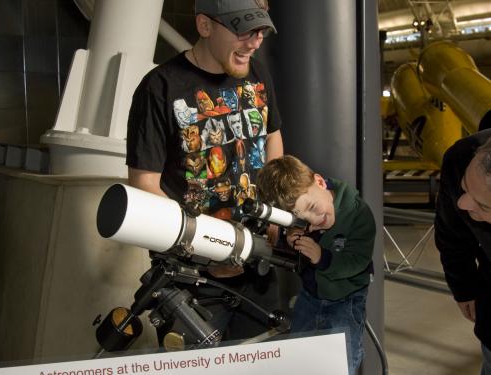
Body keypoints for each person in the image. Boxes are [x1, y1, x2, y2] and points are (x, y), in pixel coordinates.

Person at [125, 0, 283, 342]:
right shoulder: (159, 88)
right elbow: (144, 186)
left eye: (260, 31)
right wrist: (212, 245)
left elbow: (272, 140)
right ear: (204, 25)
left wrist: (273, 209)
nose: (255, 42)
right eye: (243, 30)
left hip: (258, 270)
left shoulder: (258, 75)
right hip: (190, 281)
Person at [256, 155, 376, 374]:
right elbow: (292, 248)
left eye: (312, 207)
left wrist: (322, 257)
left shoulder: (358, 213)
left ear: (320, 182)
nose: (313, 220)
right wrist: (290, 239)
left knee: (343, 362)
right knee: (300, 358)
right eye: (301, 218)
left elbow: (359, 260)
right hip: (310, 297)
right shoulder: (308, 211)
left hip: (346, 301)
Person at [434, 129, 491, 375]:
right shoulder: (461, 158)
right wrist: (463, 286)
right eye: (464, 186)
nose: (462, 203)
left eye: (482, 204)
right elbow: (451, 233)